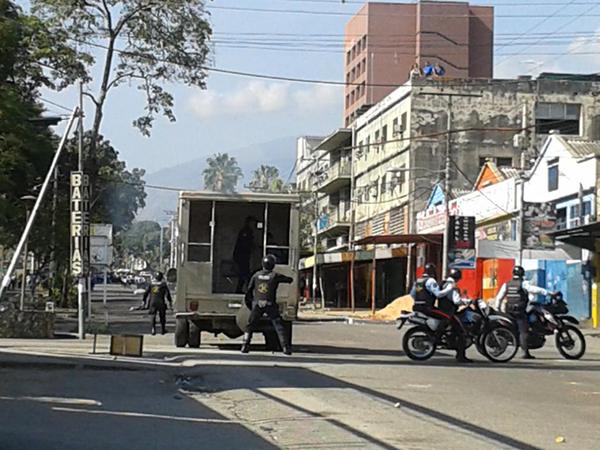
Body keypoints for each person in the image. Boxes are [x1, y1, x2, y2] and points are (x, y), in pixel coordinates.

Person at [494, 265, 550, 359]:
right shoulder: (522, 284)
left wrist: (498, 309)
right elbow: (534, 289)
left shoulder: (506, 284)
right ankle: (525, 352)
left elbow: (499, 298)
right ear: (522, 274)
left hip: (509, 311)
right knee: (523, 331)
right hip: (519, 312)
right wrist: (547, 292)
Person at [241, 254, 293, 355]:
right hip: (270, 304)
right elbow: (289, 280)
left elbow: (248, 290)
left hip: (257, 304)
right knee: (278, 326)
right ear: (273, 265)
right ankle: (285, 348)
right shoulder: (275, 276)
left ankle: (245, 346)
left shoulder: (256, 275)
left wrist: (250, 304)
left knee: (250, 326)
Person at [437, 268, 472, 363]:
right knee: (462, 332)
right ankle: (461, 356)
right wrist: (466, 301)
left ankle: (452, 342)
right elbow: (456, 300)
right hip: (449, 313)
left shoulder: (443, 283)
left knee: (455, 330)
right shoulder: (452, 286)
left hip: (443, 311)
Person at [142, 271, 173, 335]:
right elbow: (168, 294)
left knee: (153, 315)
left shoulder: (151, 284)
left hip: (152, 302)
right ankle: (163, 329)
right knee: (162, 316)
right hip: (161, 302)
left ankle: (153, 329)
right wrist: (170, 302)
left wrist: (144, 301)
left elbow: (146, 293)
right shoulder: (163, 285)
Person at [234, 216, 256, 293]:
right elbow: (244, 244)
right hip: (242, 256)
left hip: (244, 256)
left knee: (243, 274)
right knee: (245, 274)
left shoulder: (249, 231)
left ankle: (239, 289)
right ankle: (246, 290)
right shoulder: (246, 231)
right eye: (252, 222)